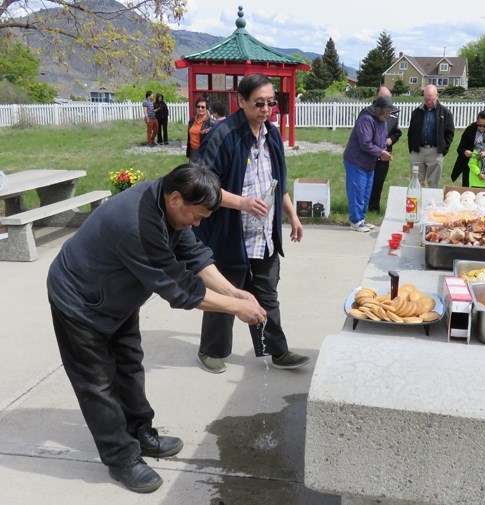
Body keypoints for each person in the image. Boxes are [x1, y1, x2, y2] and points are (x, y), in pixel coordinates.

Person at [47, 163, 266, 494]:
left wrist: (233, 292)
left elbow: (193, 255)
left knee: (130, 366)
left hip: (117, 297)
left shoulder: (168, 201)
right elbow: (180, 290)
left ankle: (139, 432)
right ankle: (121, 458)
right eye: (195, 216)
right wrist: (237, 308)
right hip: (78, 301)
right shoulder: (136, 223)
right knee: (97, 383)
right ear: (176, 198)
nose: (196, 223)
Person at [194, 72, 311, 373]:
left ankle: (276, 351)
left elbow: (278, 182)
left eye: (270, 103)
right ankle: (211, 350)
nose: (265, 109)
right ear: (241, 101)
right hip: (230, 233)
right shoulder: (223, 135)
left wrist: (292, 216)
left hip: (264, 234)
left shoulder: (272, 135)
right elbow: (203, 188)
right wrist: (242, 203)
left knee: (267, 295)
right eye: (258, 103)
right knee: (225, 296)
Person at [343, 94, 396, 232]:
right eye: (386, 113)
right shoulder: (366, 119)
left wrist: (384, 152)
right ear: (379, 110)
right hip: (356, 160)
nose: (388, 116)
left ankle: (361, 219)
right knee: (357, 192)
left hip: (369, 162)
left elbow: (382, 141)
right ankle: (355, 221)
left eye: (389, 113)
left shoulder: (383, 122)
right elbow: (365, 143)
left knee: (366, 192)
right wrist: (380, 153)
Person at [407, 84, 455, 188]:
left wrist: (442, 150)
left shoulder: (445, 113)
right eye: (426, 99)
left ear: (437, 96)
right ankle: (418, 203)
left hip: (435, 152)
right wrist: (412, 148)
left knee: (433, 184)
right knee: (416, 184)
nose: (428, 102)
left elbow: (450, 133)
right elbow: (411, 132)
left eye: (431, 99)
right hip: (417, 152)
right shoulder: (416, 112)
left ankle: (431, 204)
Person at [368, 86, 402, 213]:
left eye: (388, 97)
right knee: (366, 182)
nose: (385, 100)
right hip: (370, 153)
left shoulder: (393, 113)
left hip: (385, 153)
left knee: (379, 181)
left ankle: (374, 208)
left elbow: (397, 133)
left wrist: (391, 140)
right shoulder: (368, 112)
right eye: (382, 97)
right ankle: (362, 207)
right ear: (376, 97)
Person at [450, 109, 485, 187]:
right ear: (477, 121)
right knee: (467, 189)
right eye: (479, 125)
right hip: (470, 165)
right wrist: (465, 152)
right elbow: (460, 148)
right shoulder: (470, 129)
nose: (482, 128)